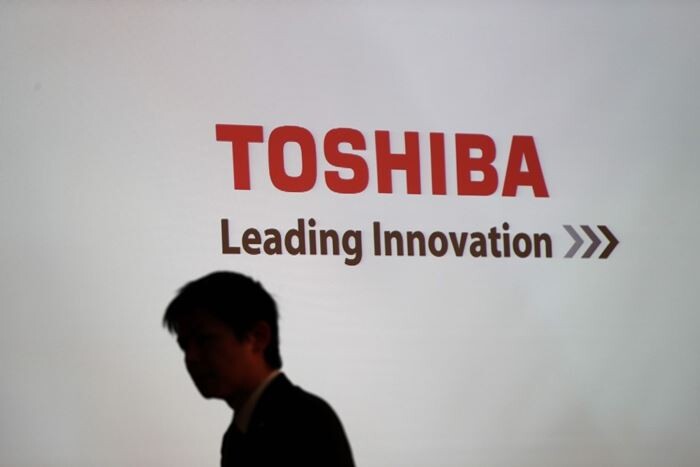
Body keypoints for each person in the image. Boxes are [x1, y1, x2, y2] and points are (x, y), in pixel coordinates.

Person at [163, 271, 355, 467]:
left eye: (204, 340)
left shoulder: (306, 420)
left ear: (257, 337)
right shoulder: (239, 433)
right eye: (184, 346)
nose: (190, 357)